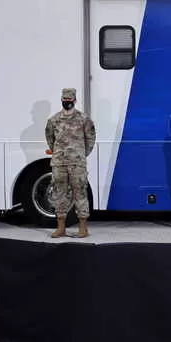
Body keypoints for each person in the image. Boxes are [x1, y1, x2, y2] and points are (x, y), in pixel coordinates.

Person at [45, 88, 96, 239]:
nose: (66, 102)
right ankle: (61, 228)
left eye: (69, 100)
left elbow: (90, 139)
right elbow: (50, 140)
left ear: (74, 101)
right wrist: (59, 153)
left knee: (80, 193)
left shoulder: (83, 119)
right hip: (59, 163)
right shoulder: (53, 120)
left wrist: (81, 154)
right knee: (59, 194)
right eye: (64, 100)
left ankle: (83, 228)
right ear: (61, 100)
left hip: (77, 163)